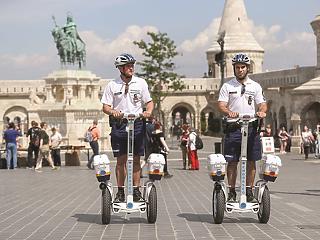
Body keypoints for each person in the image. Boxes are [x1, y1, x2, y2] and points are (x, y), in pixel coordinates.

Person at [101, 53, 154, 202]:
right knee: (121, 160)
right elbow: (105, 106)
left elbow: (149, 101)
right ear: (121, 68)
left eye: (132, 65)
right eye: (128, 66)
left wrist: (148, 112)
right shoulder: (112, 85)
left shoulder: (141, 83)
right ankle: (120, 191)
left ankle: (136, 190)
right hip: (120, 124)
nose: (131, 68)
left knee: (136, 159)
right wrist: (113, 112)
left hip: (137, 123)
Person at [217, 53, 267, 203]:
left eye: (242, 67)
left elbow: (262, 103)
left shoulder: (255, 86)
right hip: (234, 127)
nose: (240, 70)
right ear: (234, 68)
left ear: (248, 68)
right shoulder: (228, 86)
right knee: (232, 161)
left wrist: (261, 111)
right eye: (237, 67)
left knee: (251, 160)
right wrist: (228, 112)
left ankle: (249, 190)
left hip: (251, 128)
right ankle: (232, 190)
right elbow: (221, 104)